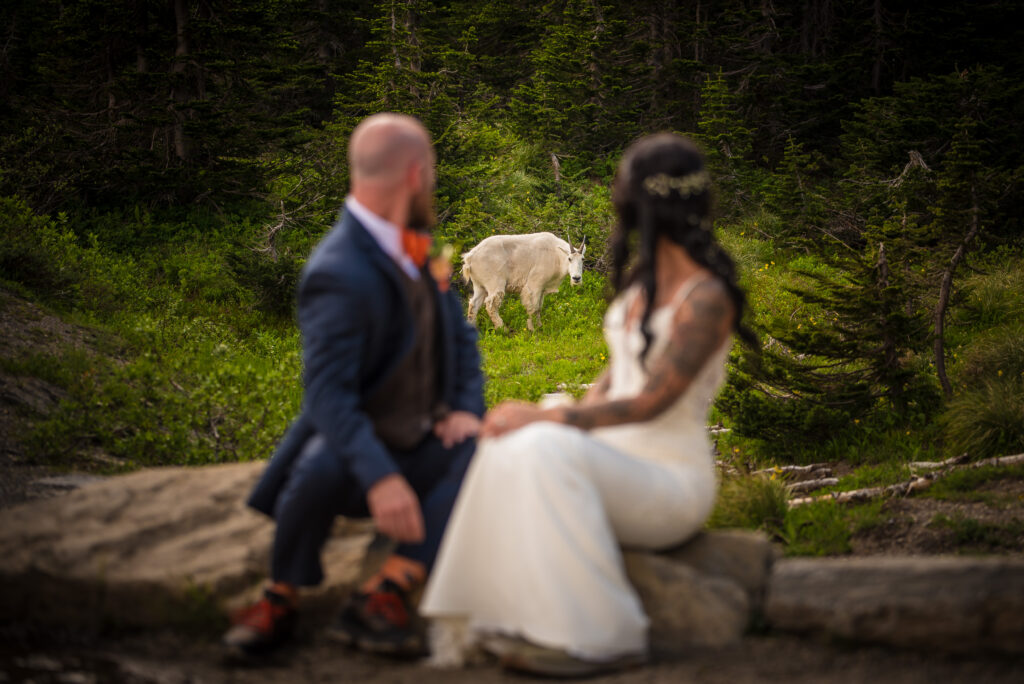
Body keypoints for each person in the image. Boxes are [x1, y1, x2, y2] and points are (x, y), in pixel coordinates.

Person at [419, 132, 756, 677]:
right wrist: (544, 418)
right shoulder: (642, 284)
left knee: (546, 440)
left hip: (667, 481)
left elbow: (650, 401)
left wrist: (550, 419)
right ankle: (487, 618)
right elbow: (615, 378)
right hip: (613, 460)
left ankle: (605, 636)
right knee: (509, 442)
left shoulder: (706, 297)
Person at [223, 113, 485, 657]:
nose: (432, 182)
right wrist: (382, 478)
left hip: (423, 431)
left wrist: (465, 408)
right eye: (431, 171)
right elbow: (327, 396)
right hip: (358, 443)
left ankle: (385, 590)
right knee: (318, 462)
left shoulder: (421, 245)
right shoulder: (337, 269)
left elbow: (460, 340)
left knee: (480, 452)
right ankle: (279, 596)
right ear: (415, 175)